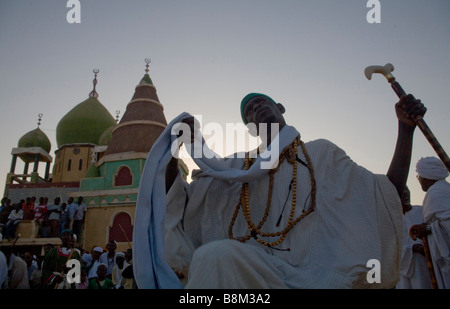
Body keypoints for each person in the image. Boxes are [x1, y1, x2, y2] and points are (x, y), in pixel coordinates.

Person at [133, 92, 427, 289]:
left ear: (280, 108)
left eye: (262, 102)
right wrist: (174, 146)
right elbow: (179, 201)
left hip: (318, 274)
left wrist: (404, 130)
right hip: (256, 272)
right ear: (249, 128)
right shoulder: (236, 169)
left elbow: (384, 196)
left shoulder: (321, 155)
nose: (256, 108)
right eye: (249, 111)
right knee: (213, 256)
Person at [410, 156, 450, 289]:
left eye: (419, 177)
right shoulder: (443, 189)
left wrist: (428, 228)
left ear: (425, 177)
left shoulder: (437, 193)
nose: (419, 180)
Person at [397, 187, 433, 289]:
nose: (405, 194)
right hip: (402, 273)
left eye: (407, 191)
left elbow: (437, 232)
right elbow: (389, 249)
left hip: (426, 266)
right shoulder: (391, 219)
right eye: (402, 192)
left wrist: (426, 247)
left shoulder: (424, 211)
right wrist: (411, 249)